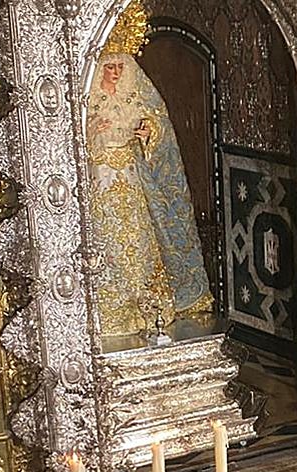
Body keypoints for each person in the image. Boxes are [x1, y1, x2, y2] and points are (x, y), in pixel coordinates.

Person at [86, 50, 213, 338]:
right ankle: (110, 309)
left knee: (140, 238)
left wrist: (147, 133)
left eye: (120, 67)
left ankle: (147, 305)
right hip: (101, 178)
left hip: (131, 176)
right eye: (110, 67)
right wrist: (92, 131)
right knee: (108, 240)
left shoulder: (132, 94)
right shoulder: (88, 97)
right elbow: (71, 136)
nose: (116, 73)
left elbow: (155, 121)